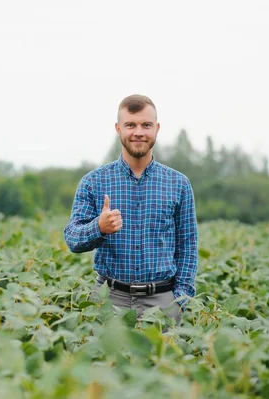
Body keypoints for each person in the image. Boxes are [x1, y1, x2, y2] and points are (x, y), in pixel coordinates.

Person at [63, 94, 198, 325]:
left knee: (164, 361)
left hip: (162, 301)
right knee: (106, 360)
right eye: (130, 125)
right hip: (108, 299)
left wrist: (180, 300)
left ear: (157, 128)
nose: (138, 132)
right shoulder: (94, 182)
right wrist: (99, 227)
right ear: (118, 129)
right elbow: (73, 239)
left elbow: (188, 246)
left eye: (146, 125)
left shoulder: (179, 183)